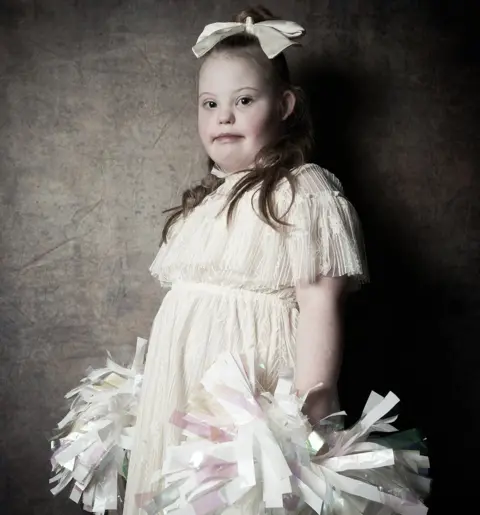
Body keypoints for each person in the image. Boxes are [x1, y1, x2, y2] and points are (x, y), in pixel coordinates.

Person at [122, 6, 369, 515]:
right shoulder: (208, 201)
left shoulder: (304, 192)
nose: (223, 116)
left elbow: (320, 307)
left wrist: (312, 415)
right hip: (182, 397)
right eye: (209, 103)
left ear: (284, 106)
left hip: (249, 410)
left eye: (243, 100)